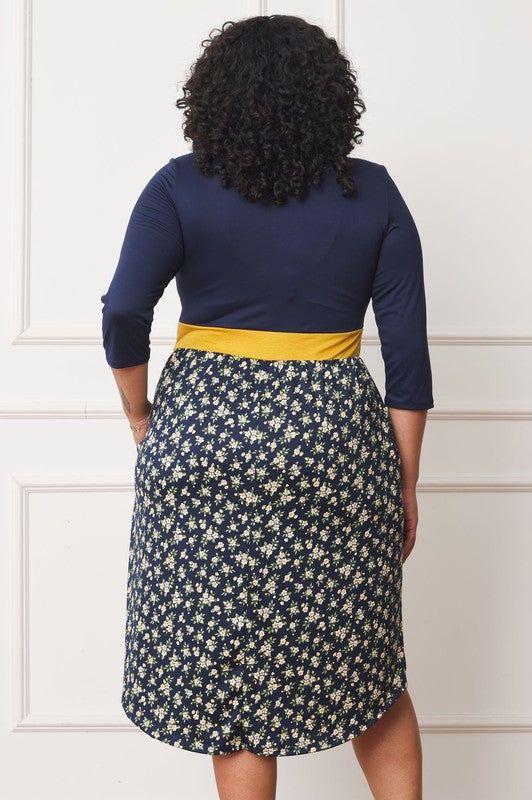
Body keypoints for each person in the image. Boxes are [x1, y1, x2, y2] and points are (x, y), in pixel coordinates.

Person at [100, 14, 432, 800]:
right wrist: (405, 483)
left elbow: (122, 314)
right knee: (367, 666)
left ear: (213, 97)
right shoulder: (374, 191)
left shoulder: (178, 186)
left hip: (204, 434)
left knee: (233, 681)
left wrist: (143, 417)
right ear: (328, 101)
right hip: (334, 439)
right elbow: (410, 359)